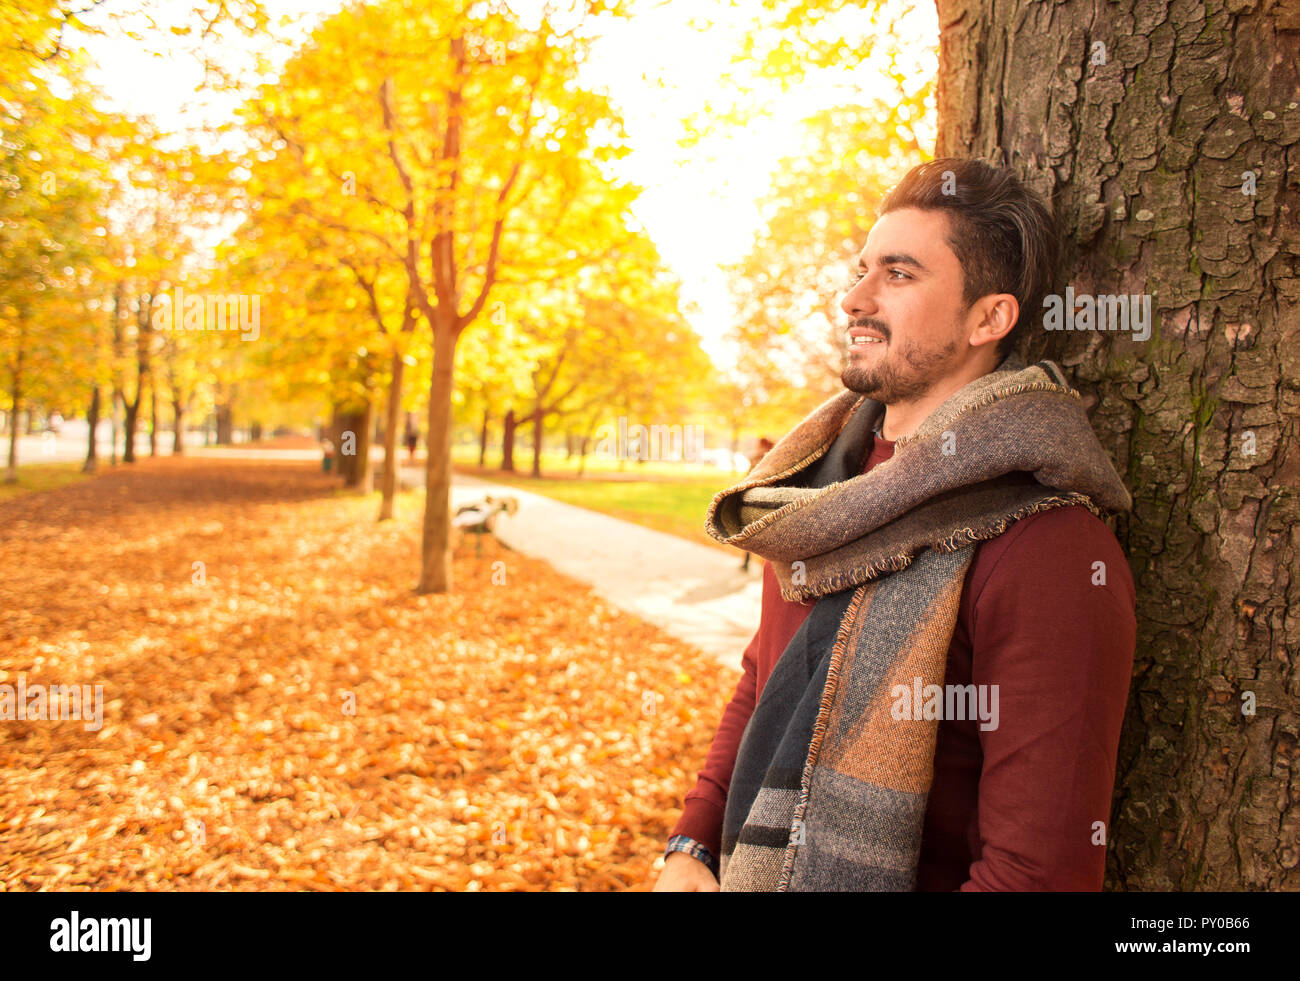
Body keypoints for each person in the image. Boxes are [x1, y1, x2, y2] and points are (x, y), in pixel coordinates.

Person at [655, 158, 1137, 892]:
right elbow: (763, 681)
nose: (854, 297)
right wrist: (692, 843)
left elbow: (1039, 875)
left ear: (990, 317)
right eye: (861, 269)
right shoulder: (814, 493)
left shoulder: (1049, 550)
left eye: (899, 274)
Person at [739, 437, 775, 571]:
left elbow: (750, 459)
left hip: (756, 497)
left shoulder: (762, 458)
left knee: (752, 532)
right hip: (757, 497)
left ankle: (756, 564)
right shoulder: (769, 458)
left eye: (759, 445)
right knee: (755, 532)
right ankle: (758, 565)